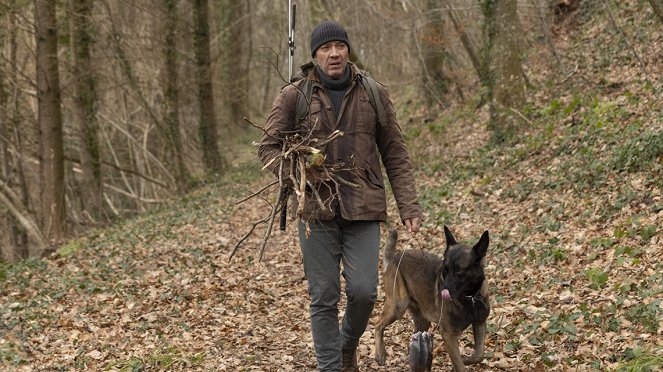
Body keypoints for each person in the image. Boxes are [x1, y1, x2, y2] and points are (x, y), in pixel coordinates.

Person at [258, 21, 421, 372]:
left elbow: (395, 152)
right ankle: (331, 366)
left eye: (340, 46)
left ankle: (347, 344)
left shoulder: (374, 92)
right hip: (316, 210)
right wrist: (297, 173)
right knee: (324, 296)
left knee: (365, 292)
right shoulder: (294, 96)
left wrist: (409, 204)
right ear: (314, 55)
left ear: (348, 50)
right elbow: (268, 148)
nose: (334, 53)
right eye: (325, 48)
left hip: (363, 206)